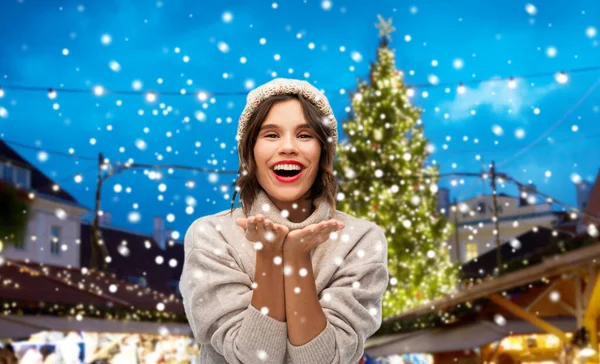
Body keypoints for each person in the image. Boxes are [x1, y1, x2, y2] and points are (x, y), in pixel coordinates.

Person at [179, 78, 389, 364]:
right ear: (250, 152)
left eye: (305, 135)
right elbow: (253, 358)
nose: (288, 147)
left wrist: (295, 258)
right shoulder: (211, 236)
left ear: (323, 152)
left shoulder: (361, 240)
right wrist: (270, 257)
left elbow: (321, 361)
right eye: (271, 135)